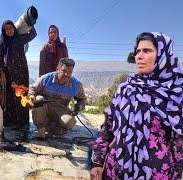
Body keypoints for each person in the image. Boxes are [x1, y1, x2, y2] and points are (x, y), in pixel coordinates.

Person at [90, 32, 183, 180]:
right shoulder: (126, 88)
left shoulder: (174, 93)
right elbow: (107, 128)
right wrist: (97, 162)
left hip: (156, 173)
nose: (139, 56)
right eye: (138, 51)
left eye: (147, 51)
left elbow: (179, 142)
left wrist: (177, 174)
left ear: (163, 55)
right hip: (116, 171)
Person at [28, 58, 86, 139]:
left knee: (70, 122)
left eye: (70, 72)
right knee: (39, 99)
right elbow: (33, 89)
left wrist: (78, 107)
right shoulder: (46, 79)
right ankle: (40, 128)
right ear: (58, 69)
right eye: (64, 71)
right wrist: (31, 96)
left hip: (61, 109)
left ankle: (58, 128)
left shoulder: (76, 85)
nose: (66, 74)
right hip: (44, 108)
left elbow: (82, 99)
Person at [0, 20, 37, 129]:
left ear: (14, 27)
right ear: (4, 31)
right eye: (7, 29)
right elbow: (0, 58)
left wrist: (29, 22)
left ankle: (23, 122)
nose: (9, 30)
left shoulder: (20, 38)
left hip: (22, 72)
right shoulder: (1, 42)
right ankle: (10, 122)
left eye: (11, 27)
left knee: (22, 95)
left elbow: (33, 34)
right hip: (9, 74)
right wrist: (1, 72)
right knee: (10, 98)